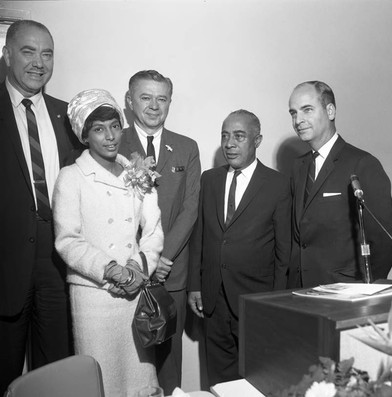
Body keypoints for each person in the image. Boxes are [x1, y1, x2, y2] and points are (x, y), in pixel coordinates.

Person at [52, 89, 164, 397]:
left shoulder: (138, 172)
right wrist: (114, 271)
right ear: (84, 136)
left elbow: (153, 230)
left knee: (140, 380)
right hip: (95, 298)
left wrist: (138, 269)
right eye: (99, 129)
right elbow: (68, 241)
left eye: (114, 126)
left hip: (135, 293)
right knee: (102, 381)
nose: (110, 136)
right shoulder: (71, 177)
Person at [0, 20, 82, 394]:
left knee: (56, 376)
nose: (38, 62)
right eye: (28, 51)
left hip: (58, 262)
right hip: (5, 266)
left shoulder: (69, 117)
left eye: (46, 53)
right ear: (7, 54)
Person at [188, 109, 291, 386]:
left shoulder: (278, 184)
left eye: (239, 136)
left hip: (256, 300)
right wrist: (195, 286)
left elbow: (284, 252)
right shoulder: (209, 180)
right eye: (225, 136)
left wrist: (276, 302)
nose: (229, 143)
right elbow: (200, 236)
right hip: (213, 298)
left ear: (257, 140)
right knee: (219, 379)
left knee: (259, 377)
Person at [119, 70, 201, 394]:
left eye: (162, 98)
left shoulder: (186, 147)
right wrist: (143, 260)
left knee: (169, 363)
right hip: (128, 270)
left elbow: (190, 207)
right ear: (130, 101)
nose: (154, 106)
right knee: (129, 362)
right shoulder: (114, 142)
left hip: (172, 273)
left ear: (169, 102)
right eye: (146, 97)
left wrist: (163, 257)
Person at [288, 81, 392, 288]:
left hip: (345, 294)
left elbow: (385, 241)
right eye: (293, 113)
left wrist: (364, 288)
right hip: (301, 293)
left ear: (330, 111)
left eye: (307, 110)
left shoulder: (362, 164)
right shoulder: (298, 167)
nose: (298, 120)